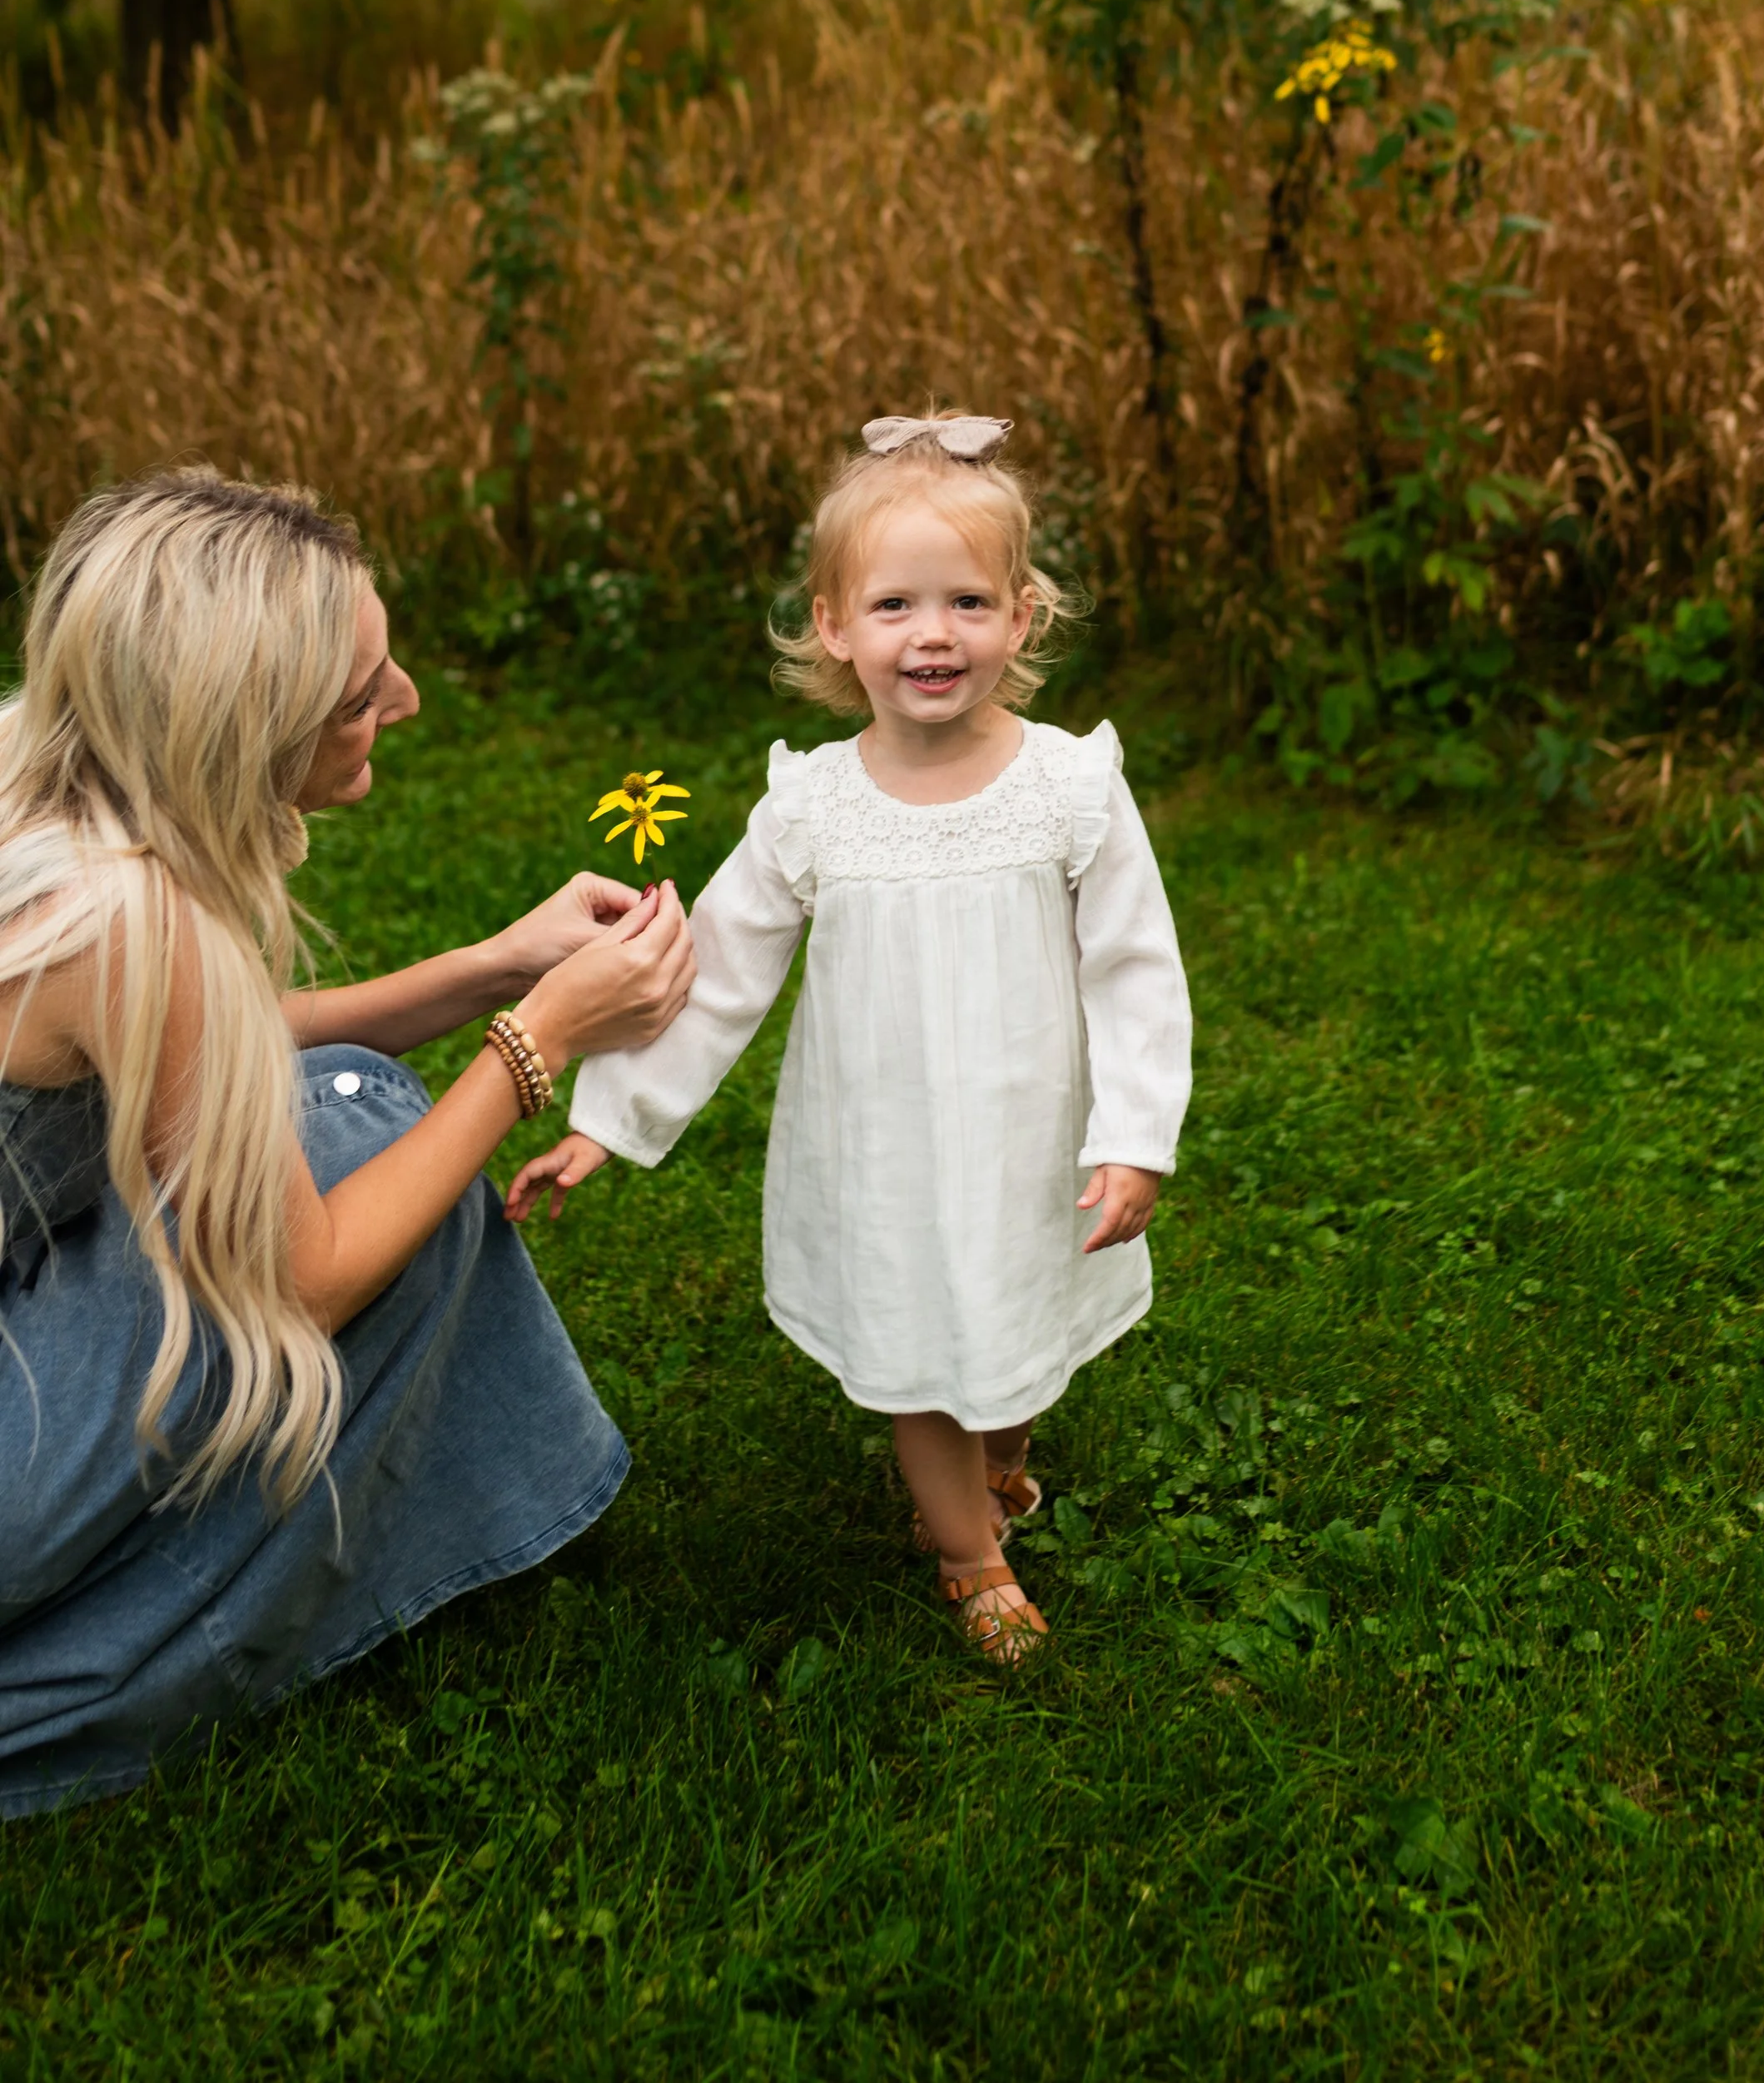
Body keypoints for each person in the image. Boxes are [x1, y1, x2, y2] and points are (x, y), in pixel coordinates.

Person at [0, 470, 694, 1814]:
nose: (409, 701)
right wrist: (537, 1040)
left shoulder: (42, 776)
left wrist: (493, 967)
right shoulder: (125, 915)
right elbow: (304, 1276)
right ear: (239, 727)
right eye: (362, 692)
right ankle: (112, 1668)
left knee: (335, 1095)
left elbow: (195, 1045)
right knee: (371, 1151)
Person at [508, 412, 1191, 1662]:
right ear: (832, 624)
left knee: (1018, 1325)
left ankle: (998, 1456)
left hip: (1027, 1135)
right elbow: (715, 974)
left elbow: (1136, 970)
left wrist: (1136, 1135)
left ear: (1022, 616)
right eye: (894, 606)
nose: (933, 635)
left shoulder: (1068, 785)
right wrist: (606, 1121)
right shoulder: (813, 806)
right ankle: (970, 1558)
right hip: (883, 1145)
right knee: (920, 1344)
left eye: (969, 602)